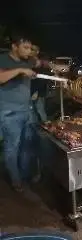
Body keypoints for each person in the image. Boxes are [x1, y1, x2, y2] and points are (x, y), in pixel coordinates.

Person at [0, 34, 49, 192]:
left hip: (27, 109)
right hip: (9, 112)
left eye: (30, 48)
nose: (29, 51)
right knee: (12, 147)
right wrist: (21, 70)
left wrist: (54, 66)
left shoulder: (28, 60)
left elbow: (40, 62)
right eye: (25, 48)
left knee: (27, 144)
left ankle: (25, 174)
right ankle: (16, 180)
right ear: (14, 46)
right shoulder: (3, 59)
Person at [30, 45, 48, 122]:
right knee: (32, 112)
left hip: (38, 92)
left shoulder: (39, 64)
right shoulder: (30, 62)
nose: (30, 51)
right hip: (30, 91)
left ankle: (48, 128)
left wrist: (36, 92)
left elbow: (42, 79)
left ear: (37, 52)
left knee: (40, 111)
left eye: (32, 50)